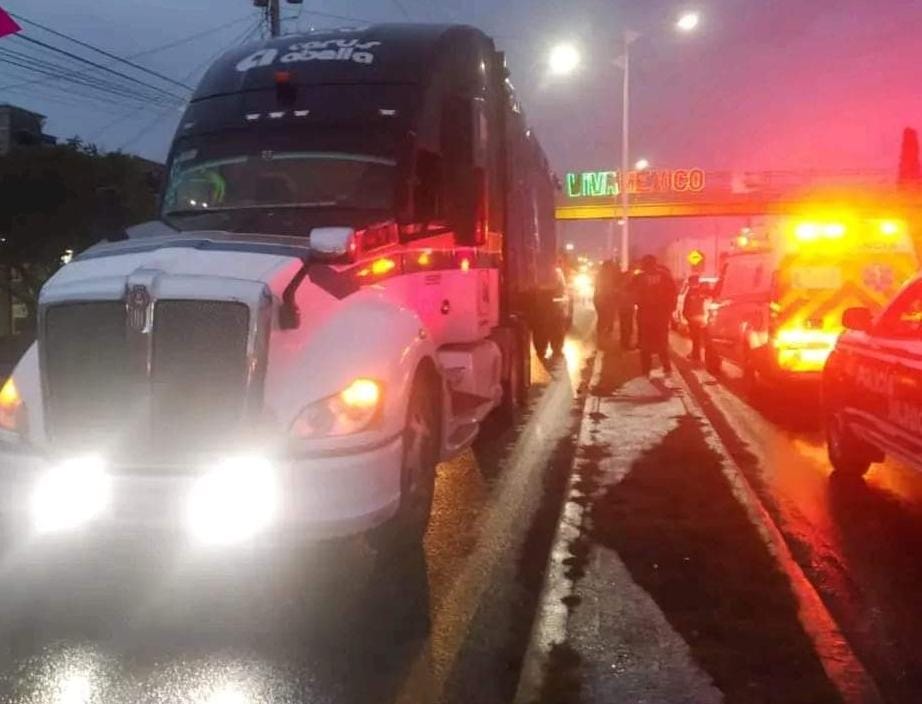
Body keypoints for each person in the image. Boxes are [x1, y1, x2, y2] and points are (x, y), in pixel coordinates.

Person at [633, 255, 678, 378]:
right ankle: (666, 368)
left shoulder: (640, 277)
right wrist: (669, 310)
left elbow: (630, 292)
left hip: (645, 316)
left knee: (645, 345)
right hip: (661, 316)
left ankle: (646, 371)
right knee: (662, 342)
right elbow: (673, 293)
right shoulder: (665, 276)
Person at [683, 275, 708, 362]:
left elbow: (686, 306)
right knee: (698, 339)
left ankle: (696, 355)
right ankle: (696, 354)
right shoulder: (702, 291)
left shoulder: (691, 292)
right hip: (701, 317)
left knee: (695, 338)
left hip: (694, 318)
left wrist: (686, 317)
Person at [593, 260, 617, 343]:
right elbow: (606, 288)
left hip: (600, 299)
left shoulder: (600, 274)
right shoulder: (606, 275)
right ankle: (603, 335)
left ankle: (602, 334)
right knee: (605, 317)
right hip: (604, 299)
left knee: (603, 317)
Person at [614, 266, 636, 350]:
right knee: (627, 327)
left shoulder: (620, 284)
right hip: (627, 307)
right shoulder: (629, 284)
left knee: (625, 326)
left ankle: (624, 343)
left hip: (624, 307)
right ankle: (625, 344)